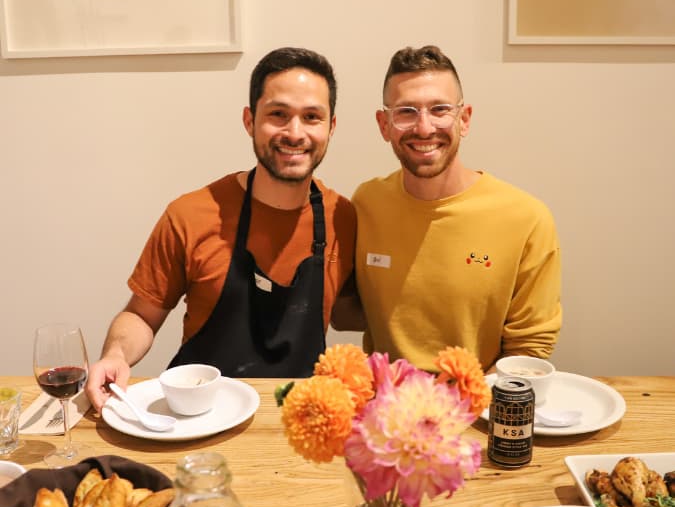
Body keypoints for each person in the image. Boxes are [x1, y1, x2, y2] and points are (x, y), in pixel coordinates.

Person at [86, 47, 356, 412]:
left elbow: (349, 313)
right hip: (198, 419)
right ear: (249, 120)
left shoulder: (344, 217)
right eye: (278, 114)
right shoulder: (190, 214)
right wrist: (116, 355)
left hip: (297, 423)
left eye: (311, 117)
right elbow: (140, 316)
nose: (295, 132)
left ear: (331, 127)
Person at [334, 45, 561, 372]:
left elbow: (529, 350)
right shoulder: (367, 202)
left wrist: (464, 408)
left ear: (464, 119)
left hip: (480, 408)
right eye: (406, 111)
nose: (424, 128)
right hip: (386, 409)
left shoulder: (526, 218)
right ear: (384, 125)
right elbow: (350, 312)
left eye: (439, 109)